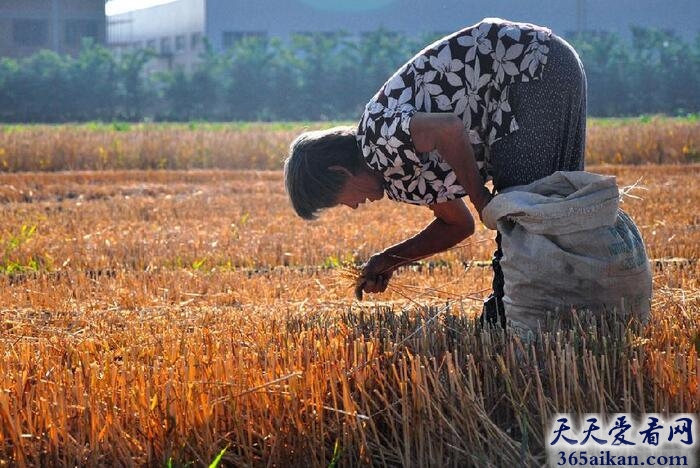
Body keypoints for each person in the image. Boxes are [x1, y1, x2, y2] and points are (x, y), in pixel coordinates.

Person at [284, 17, 587, 327]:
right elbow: (457, 225)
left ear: (340, 171)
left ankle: (525, 320)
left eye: (339, 200)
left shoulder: (377, 138)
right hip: (545, 65)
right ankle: (559, 317)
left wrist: (481, 196)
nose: (351, 206)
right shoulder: (392, 175)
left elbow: (448, 129)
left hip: (528, 65)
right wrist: (389, 260)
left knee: (528, 211)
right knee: (545, 210)